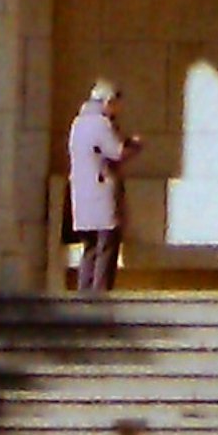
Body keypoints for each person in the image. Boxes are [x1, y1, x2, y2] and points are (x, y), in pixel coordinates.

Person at [64, 77, 138, 292]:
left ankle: (84, 295)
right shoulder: (100, 123)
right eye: (116, 103)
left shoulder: (78, 123)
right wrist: (134, 144)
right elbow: (116, 151)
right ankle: (99, 297)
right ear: (108, 101)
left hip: (82, 195)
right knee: (106, 247)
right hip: (100, 194)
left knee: (89, 249)